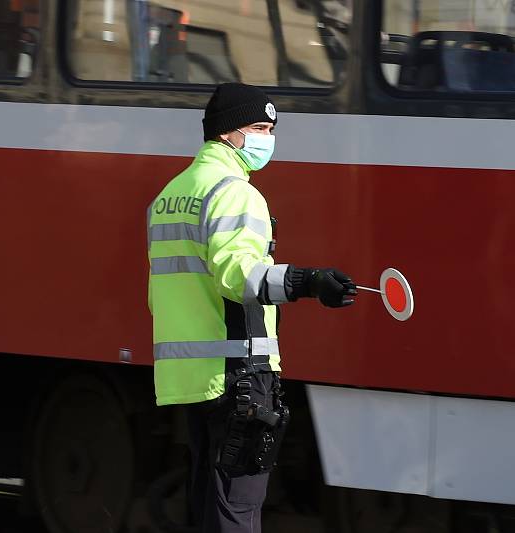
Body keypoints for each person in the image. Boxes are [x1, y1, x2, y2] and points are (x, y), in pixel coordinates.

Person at [146, 82, 357, 533]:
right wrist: (309, 281)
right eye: (259, 127)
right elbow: (237, 275)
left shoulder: (171, 193)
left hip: (191, 377)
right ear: (228, 132)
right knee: (237, 512)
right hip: (237, 371)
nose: (268, 138)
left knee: (208, 506)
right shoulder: (236, 193)